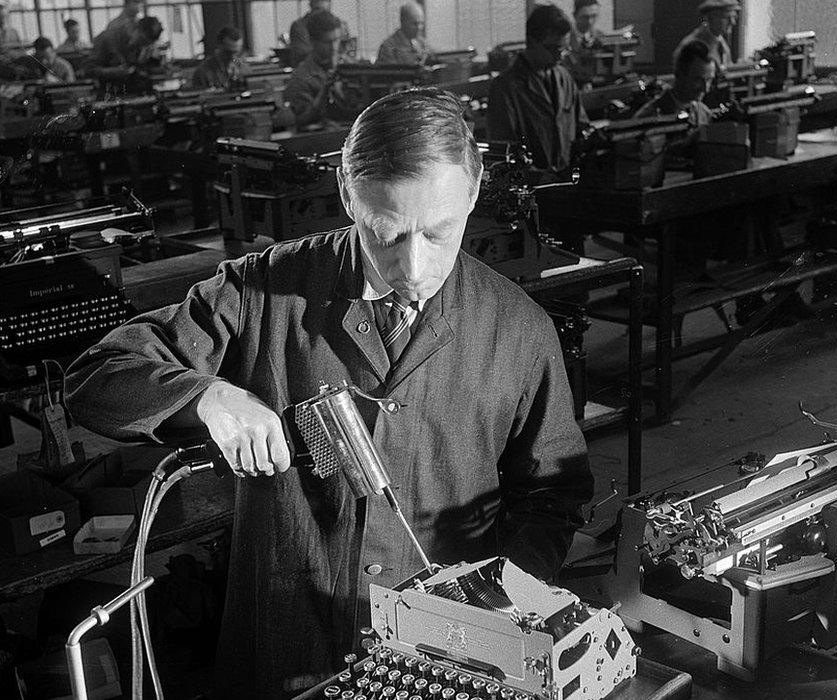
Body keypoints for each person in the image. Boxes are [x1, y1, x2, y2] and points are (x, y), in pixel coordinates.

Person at [64, 86, 592, 699]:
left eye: (438, 233)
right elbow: (96, 375)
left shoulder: (520, 329)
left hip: (450, 656)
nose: (414, 267)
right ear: (347, 195)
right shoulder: (262, 291)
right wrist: (206, 397)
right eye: (386, 234)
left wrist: (500, 602)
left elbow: (553, 495)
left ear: (473, 192)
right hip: (289, 638)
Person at [487, 4, 589, 179]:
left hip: (565, 186)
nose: (560, 55)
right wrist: (536, 177)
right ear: (532, 42)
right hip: (530, 191)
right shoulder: (506, 87)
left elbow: (581, 127)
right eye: (553, 48)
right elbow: (502, 151)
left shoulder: (564, 78)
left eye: (563, 49)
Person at [284, 10, 359, 127]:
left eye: (336, 40)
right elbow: (299, 121)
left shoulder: (351, 66)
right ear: (312, 42)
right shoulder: (301, 79)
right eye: (327, 42)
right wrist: (323, 92)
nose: (334, 47)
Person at [635, 40, 714, 127]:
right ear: (679, 75)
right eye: (698, 80)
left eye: (709, 80)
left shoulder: (704, 114)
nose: (705, 89)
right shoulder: (648, 119)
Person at [89, 15, 164, 85]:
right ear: (136, 29)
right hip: (110, 92)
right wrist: (114, 71)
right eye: (142, 41)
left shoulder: (144, 46)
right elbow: (90, 70)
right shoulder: (106, 39)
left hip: (134, 91)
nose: (142, 46)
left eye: (147, 44)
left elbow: (139, 68)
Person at [674, 0, 739, 70]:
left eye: (734, 17)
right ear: (710, 18)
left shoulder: (721, 43)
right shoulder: (693, 46)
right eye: (727, 17)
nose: (733, 22)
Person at [288, 0, 349, 68]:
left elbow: (346, 52)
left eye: (325, 12)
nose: (321, 16)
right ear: (310, 5)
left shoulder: (338, 26)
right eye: (317, 9)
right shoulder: (299, 26)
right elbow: (302, 55)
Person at [191, 26, 245, 91]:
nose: (233, 57)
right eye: (228, 52)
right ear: (219, 46)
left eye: (237, 53)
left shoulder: (242, 67)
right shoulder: (203, 72)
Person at [564, 0, 602, 87]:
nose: (590, 21)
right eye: (585, 17)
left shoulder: (601, 37)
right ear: (574, 15)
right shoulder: (565, 39)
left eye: (594, 16)